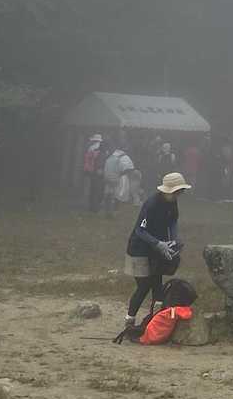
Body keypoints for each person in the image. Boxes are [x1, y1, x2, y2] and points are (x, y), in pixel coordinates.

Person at [123, 170, 191, 331]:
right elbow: (140, 230)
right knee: (144, 285)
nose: (179, 195)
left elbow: (172, 222)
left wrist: (173, 239)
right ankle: (130, 320)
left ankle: (155, 320)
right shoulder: (151, 204)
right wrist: (158, 243)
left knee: (157, 284)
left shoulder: (172, 202)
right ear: (168, 191)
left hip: (156, 249)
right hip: (139, 249)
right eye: (177, 192)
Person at [103, 140, 137, 214]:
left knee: (109, 193)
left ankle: (108, 210)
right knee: (119, 195)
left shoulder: (111, 155)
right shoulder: (125, 157)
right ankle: (115, 210)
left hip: (109, 177)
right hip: (121, 178)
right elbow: (129, 169)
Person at [82, 133, 107, 214]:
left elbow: (88, 161)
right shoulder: (100, 150)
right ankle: (95, 207)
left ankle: (92, 206)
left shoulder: (90, 149)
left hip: (91, 171)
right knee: (97, 189)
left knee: (93, 189)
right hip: (97, 172)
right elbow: (101, 161)